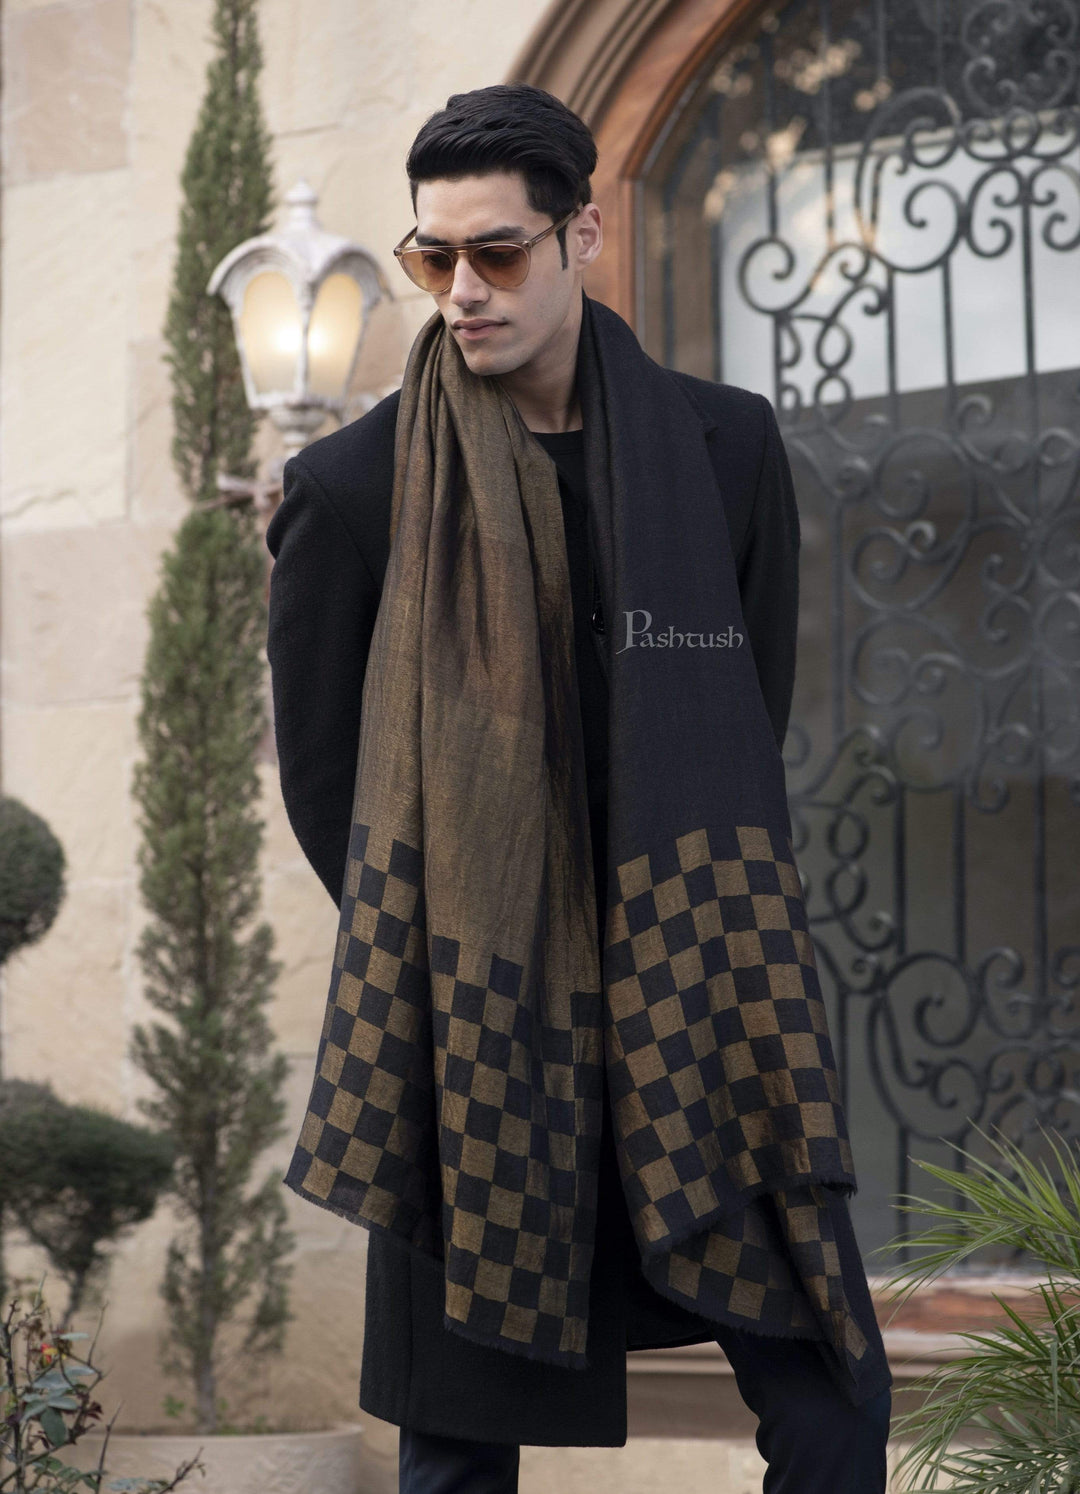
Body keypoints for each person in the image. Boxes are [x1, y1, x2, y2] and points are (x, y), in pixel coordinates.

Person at [266, 83, 892, 1494]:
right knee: (458, 1461)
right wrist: (478, 943)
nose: (463, 291)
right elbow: (327, 791)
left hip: (703, 1006)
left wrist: (660, 924)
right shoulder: (353, 490)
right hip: (479, 1026)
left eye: (498, 252)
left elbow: (746, 710)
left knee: (836, 1409)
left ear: (583, 236)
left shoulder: (726, 450)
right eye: (434, 257)